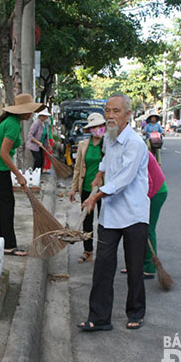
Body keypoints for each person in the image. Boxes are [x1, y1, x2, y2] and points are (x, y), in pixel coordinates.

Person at [77, 93, 149, 332]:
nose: (110, 116)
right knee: (103, 267)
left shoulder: (136, 144)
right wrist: (97, 177)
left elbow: (123, 181)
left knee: (134, 268)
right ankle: (99, 318)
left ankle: (136, 312)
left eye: (116, 111)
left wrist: (95, 196)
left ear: (128, 115)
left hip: (134, 215)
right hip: (110, 216)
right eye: (107, 110)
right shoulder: (108, 138)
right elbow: (106, 164)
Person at [0, 93, 45, 257]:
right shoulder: (13, 124)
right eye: (28, 110)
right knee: (6, 205)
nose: (30, 113)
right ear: (20, 111)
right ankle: (9, 245)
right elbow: (4, 153)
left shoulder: (9, 120)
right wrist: (18, 174)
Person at [120, 152, 167, 279]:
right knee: (135, 229)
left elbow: (149, 182)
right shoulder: (123, 150)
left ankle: (150, 267)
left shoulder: (136, 150)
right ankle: (135, 264)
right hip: (143, 192)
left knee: (148, 229)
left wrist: (142, 204)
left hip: (156, 192)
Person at [69, 112, 106, 263]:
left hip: (104, 190)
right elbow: (77, 168)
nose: (99, 129)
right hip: (86, 188)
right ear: (90, 129)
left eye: (101, 126)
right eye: (95, 127)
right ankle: (88, 251)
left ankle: (104, 252)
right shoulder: (84, 145)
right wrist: (73, 189)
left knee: (105, 221)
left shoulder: (109, 144)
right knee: (87, 220)